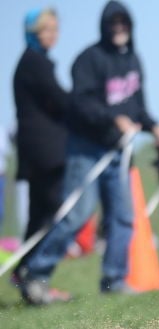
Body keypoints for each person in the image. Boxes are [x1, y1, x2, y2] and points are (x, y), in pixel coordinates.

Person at [16, 0, 159, 305]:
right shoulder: (88, 60)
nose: (118, 29)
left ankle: (114, 280)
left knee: (123, 217)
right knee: (77, 215)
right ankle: (36, 275)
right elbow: (80, 104)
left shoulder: (133, 61)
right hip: (86, 149)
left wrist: (155, 129)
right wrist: (111, 118)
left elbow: (138, 107)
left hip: (118, 151)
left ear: (130, 26)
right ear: (105, 27)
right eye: (113, 24)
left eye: (123, 23)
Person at [11, 7, 69, 287]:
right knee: (59, 213)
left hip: (37, 151)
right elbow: (60, 100)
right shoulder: (35, 63)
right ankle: (35, 275)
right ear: (33, 33)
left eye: (55, 29)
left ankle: (24, 270)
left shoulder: (33, 61)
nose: (52, 35)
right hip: (45, 152)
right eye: (46, 30)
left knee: (39, 215)